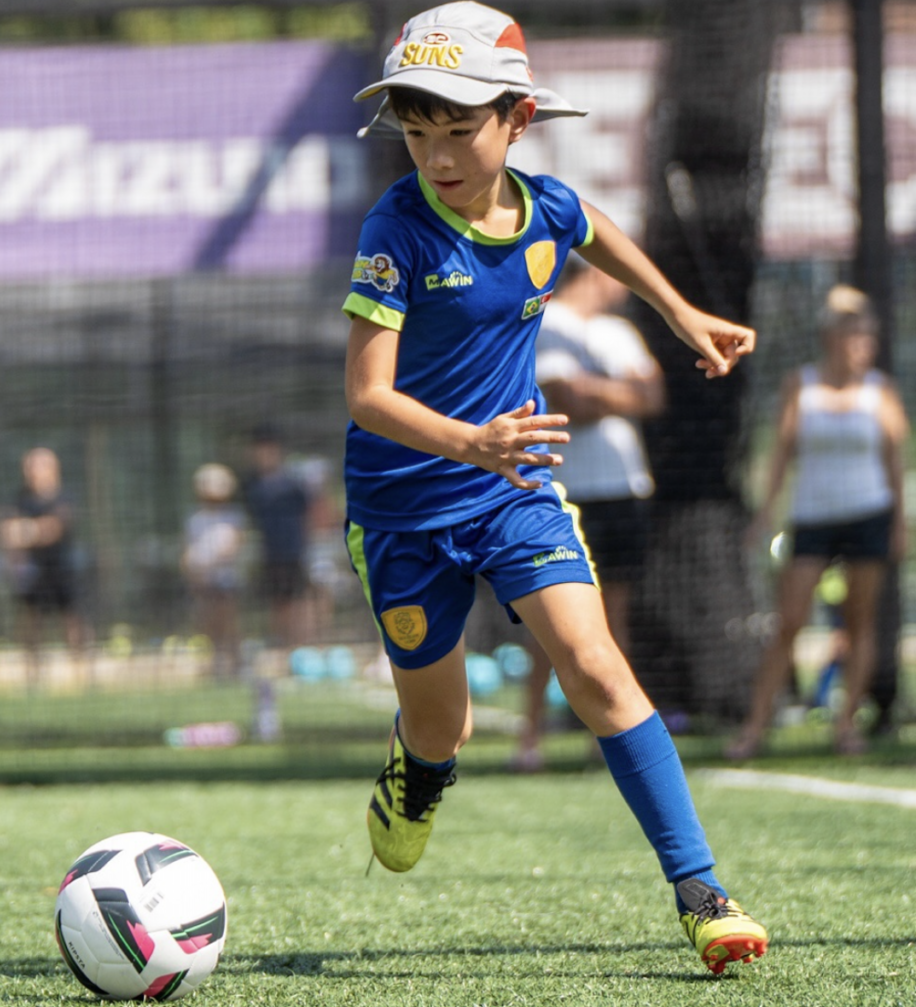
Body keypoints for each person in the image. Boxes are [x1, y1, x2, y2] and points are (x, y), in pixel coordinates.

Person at [341, 1, 767, 975]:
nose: (437, 155)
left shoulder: (544, 207)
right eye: (417, 133)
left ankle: (701, 890)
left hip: (513, 493)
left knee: (597, 665)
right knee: (443, 722)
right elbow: (367, 396)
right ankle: (419, 776)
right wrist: (467, 438)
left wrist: (679, 308)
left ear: (516, 121)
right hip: (403, 512)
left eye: (459, 130)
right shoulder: (393, 229)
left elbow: (592, 229)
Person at [726, 284, 908, 759]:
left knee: (858, 623)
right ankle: (755, 727)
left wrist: (898, 522)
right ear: (832, 338)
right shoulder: (801, 384)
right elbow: (782, 454)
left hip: (868, 513)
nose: (864, 345)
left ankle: (846, 725)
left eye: (868, 337)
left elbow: (893, 460)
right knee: (789, 621)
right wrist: (766, 512)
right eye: (855, 336)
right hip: (813, 516)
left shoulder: (879, 391)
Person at [511, 256, 665, 772]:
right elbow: (563, 398)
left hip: (623, 492)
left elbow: (653, 394)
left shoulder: (619, 332)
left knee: (614, 621)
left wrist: (604, 394)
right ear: (592, 276)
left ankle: (613, 739)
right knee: (548, 626)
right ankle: (530, 736)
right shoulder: (546, 325)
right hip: (565, 492)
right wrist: (622, 393)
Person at [0, 447, 89, 686]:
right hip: (32, 573)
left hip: (60, 568)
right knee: (31, 620)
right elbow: (2, 530)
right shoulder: (20, 499)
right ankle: (33, 676)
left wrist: (24, 531)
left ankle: (83, 675)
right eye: (29, 466)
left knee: (72, 619)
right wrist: (30, 532)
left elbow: (53, 528)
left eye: (38, 465)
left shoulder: (62, 498)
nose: (31, 471)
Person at [242, 424, 313, 648]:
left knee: (299, 601)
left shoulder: (292, 483)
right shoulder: (252, 485)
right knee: (277, 602)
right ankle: (284, 648)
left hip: (295, 550)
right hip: (270, 553)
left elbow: (309, 514)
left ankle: (302, 647)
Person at [181, 463, 245, 679]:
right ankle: (216, 664)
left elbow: (233, 545)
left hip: (225, 579)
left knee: (229, 622)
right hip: (203, 581)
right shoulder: (195, 519)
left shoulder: (233, 516)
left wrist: (209, 562)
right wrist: (192, 569)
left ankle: (237, 664)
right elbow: (188, 549)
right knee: (208, 623)